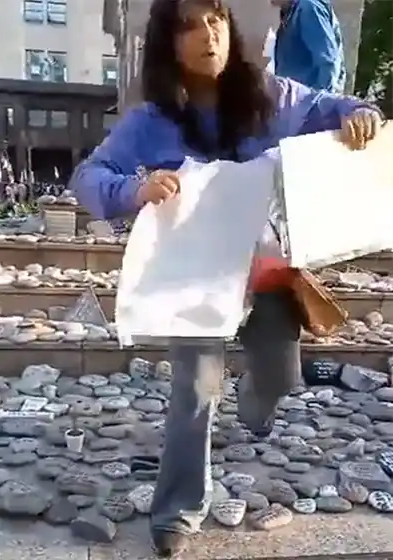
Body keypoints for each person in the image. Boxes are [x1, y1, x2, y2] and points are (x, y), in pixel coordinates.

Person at [70, 0, 381, 556]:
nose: (207, 35)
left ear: (229, 29)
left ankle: (254, 402)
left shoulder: (274, 96)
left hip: (268, 269)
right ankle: (177, 510)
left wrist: (361, 112)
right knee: (194, 386)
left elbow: (335, 107)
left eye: (215, 20)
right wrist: (134, 190)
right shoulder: (151, 120)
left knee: (280, 379)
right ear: (169, 42)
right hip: (195, 274)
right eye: (189, 26)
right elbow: (88, 176)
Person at [271, 0, 346, 93]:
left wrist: (322, 99)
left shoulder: (308, 7)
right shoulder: (291, 12)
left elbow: (327, 62)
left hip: (311, 97)